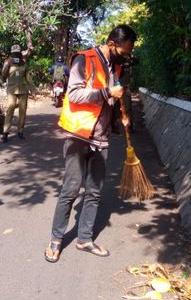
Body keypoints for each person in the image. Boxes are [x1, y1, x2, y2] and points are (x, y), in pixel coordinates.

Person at [44, 24, 136, 263]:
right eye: (125, 51)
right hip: (79, 136)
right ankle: (55, 240)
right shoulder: (83, 60)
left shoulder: (115, 66)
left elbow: (112, 99)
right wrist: (107, 93)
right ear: (113, 44)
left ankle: (84, 239)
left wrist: (119, 117)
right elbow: (73, 95)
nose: (126, 56)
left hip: (101, 137)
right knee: (71, 189)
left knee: (94, 192)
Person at [1, 44, 36, 142]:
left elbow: (28, 78)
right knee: (10, 109)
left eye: (17, 53)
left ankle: (20, 131)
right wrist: (7, 64)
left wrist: (33, 90)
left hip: (23, 90)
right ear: (12, 54)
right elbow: (3, 74)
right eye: (14, 54)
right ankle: (5, 132)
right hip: (12, 90)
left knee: (22, 111)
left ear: (20, 54)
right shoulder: (8, 62)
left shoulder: (23, 64)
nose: (16, 56)